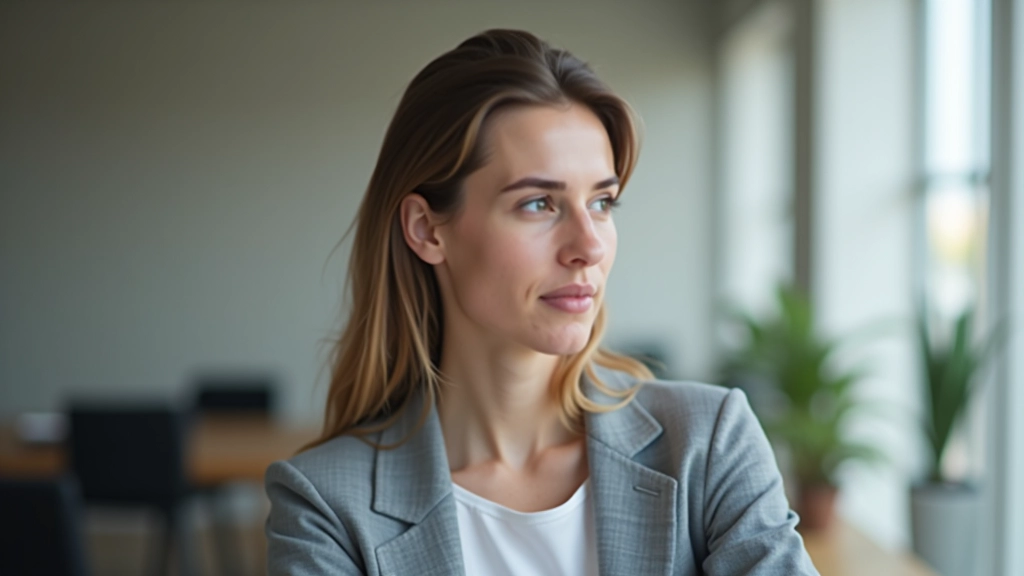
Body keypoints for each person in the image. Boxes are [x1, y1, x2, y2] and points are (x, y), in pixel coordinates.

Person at [265, 29, 819, 576]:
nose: (589, 246)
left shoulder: (707, 442)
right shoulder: (325, 506)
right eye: (538, 204)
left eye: (602, 202)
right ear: (427, 229)